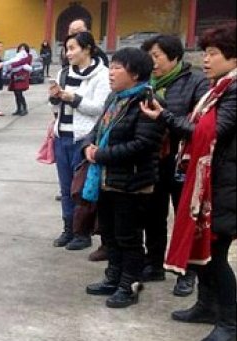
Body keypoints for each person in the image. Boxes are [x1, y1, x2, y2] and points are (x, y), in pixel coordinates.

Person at [140, 24, 237, 341]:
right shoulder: (218, 87)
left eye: (213, 54)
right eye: (205, 52)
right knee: (203, 253)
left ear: (234, 58)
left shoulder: (234, 91)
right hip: (208, 179)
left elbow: (209, 134)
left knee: (217, 255)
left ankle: (230, 322)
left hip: (225, 184)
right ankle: (207, 306)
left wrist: (164, 116)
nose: (206, 59)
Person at [82, 47, 164, 308]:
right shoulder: (115, 99)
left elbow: (143, 144)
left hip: (132, 183)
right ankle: (113, 278)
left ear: (136, 73)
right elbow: (96, 131)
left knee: (128, 237)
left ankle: (129, 286)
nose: (112, 72)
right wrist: (88, 147)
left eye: (118, 67)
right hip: (108, 180)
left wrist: (101, 154)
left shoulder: (146, 102)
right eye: (112, 66)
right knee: (110, 234)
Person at [137, 35, 209, 297]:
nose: (152, 62)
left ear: (175, 56)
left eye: (156, 56)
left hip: (182, 160)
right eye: (149, 57)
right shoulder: (146, 82)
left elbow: (198, 127)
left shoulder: (196, 82)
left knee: (184, 216)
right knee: (153, 214)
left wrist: (164, 117)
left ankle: (185, 272)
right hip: (154, 159)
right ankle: (154, 263)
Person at [48, 31, 110, 250]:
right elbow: (56, 109)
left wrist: (73, 98)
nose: (68, 53)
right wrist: (55, 98)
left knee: (81, 189)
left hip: (84, 139)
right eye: (67, 48)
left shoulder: (102, 75)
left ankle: (82, 233)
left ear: (88, 49)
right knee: (65, 189)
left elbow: (100, 108)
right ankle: (68, 229)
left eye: (73, 48)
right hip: (62, 136)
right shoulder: (63, 73)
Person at [3, 43, 32, 116]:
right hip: (15, 76)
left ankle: (24, 108)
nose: (21, 50)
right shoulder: (16, 56)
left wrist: (12, 65)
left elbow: (22, 62)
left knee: (19, 92)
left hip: (22, 76)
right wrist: (8, 71)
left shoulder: (28, 56)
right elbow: (13, 64)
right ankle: (19, 109)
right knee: (16, 93)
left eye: (23, 48)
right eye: (20, 48)